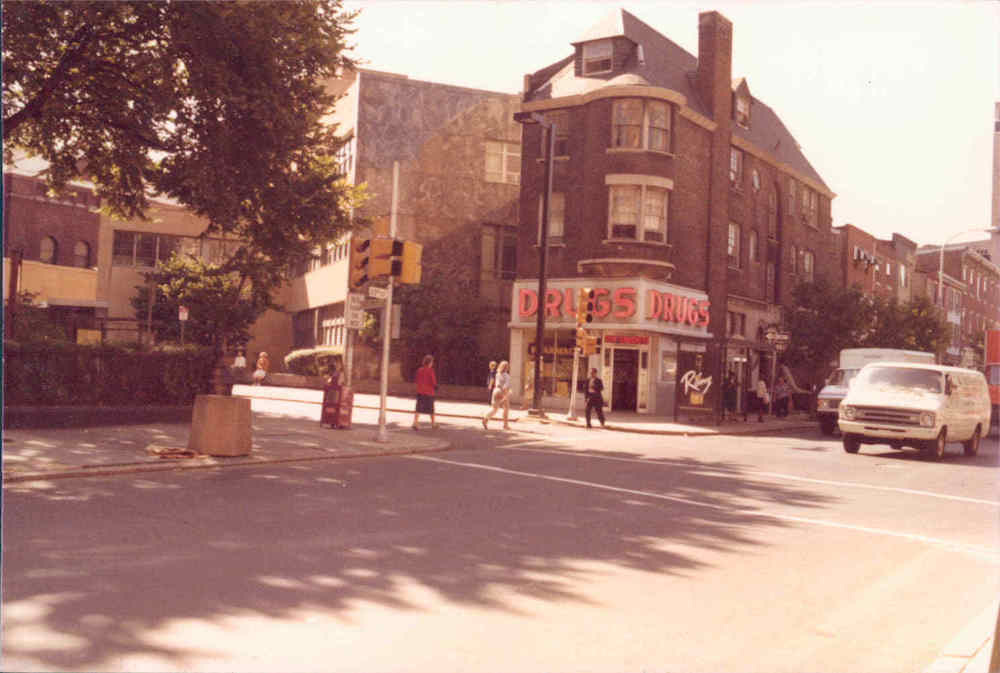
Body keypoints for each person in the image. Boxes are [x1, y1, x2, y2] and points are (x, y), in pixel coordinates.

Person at [482, 360, 511, 430]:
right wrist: (506, 394)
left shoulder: (497, 374)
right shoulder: (507, 376)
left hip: (495, 390)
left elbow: (497, 384)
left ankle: (486, 418)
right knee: (506, 408)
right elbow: (505, 386)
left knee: (494, 408)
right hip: (502, 392)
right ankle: (505, 425)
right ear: (507, 367)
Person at [412, 354, 438, 430]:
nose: (432, 363)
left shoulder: (419, 370)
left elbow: (417, 380)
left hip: (420, 392)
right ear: (430, 362)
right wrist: (436, 387)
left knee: (418, 408)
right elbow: (433, 381)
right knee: (431, 409)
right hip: (429, 393)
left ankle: (415, 422)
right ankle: (433, 423)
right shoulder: (431, 371)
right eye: (432, 362)